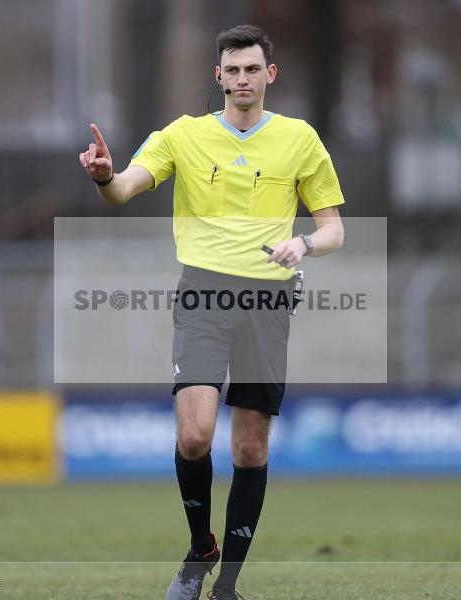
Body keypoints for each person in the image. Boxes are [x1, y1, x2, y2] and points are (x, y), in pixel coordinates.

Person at [78, 24, 345, 600]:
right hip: (202, 293)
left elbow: (334, 230)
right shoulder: (183, 136)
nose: (243, 79)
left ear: (269, 75)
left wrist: (303, 244)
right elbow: (124, 189)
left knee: (249, 448)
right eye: (233, 70)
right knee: (195, 435)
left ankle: (226, 586)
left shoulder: (300, 140)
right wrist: (104, 176)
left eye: (253, 69)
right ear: (217, 76)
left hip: (268, 300)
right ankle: (201, 546)